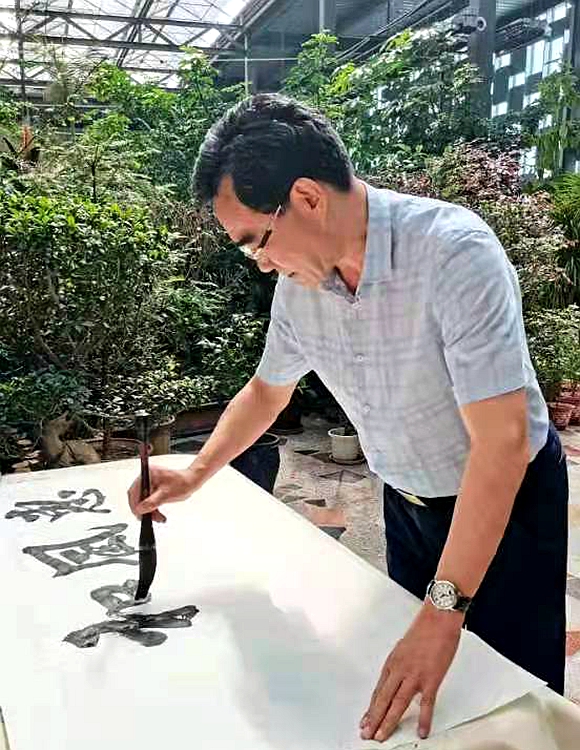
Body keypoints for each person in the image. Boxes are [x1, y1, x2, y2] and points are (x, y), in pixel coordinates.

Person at [127, 94, 568, 742]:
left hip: (509, 503)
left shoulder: (453, 253)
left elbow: (499, 444)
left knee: (515, 702)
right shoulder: (299, 292)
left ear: (307, 198)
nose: (261, 264)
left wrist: (443, 611)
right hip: (406, 501)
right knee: (426, 706)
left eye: (256, 243)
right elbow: (266, 392)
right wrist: (195, 474)